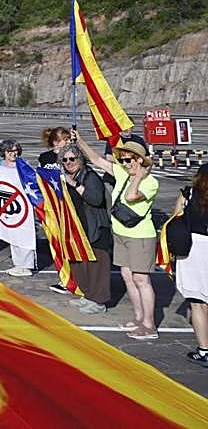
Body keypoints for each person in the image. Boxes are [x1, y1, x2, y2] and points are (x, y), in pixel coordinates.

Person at [77, 130, 159, 340]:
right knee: (127, 277)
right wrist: (79, 140)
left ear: (140, 160)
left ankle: (149, 325)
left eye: (129, 159)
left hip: (140, 237)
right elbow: (96, 159)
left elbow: (132, 196)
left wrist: (139, 175)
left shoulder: (150, 182)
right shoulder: (123, 172)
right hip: (120, 233)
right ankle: (139, 317)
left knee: (141, 279)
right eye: (122, 159)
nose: (125, 163)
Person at [61, 144, 111, 314]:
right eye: (65, 160)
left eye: (72, 159)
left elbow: (96, 199)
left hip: (95, 227)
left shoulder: (89, 176)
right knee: (81, 265)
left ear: (80, 159)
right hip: (77, 228)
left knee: (97, 265)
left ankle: (99, 300)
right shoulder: (65, 177)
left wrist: (74, 184)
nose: (68, 163)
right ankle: (88, 295)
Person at [174, 164, 208, 366]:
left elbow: (175, 217)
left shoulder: (189, 194)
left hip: (194, 247)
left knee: (197, 302)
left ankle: (204, 350)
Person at [0, 139, 36, 277]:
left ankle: (27, 265)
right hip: (8, 205)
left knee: (24, 234)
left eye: (15, 151)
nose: (13, 154)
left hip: (23, 203)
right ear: (4, 153)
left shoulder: (23, 165)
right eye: (10, 151)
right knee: (13, 235)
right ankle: (18, 264)